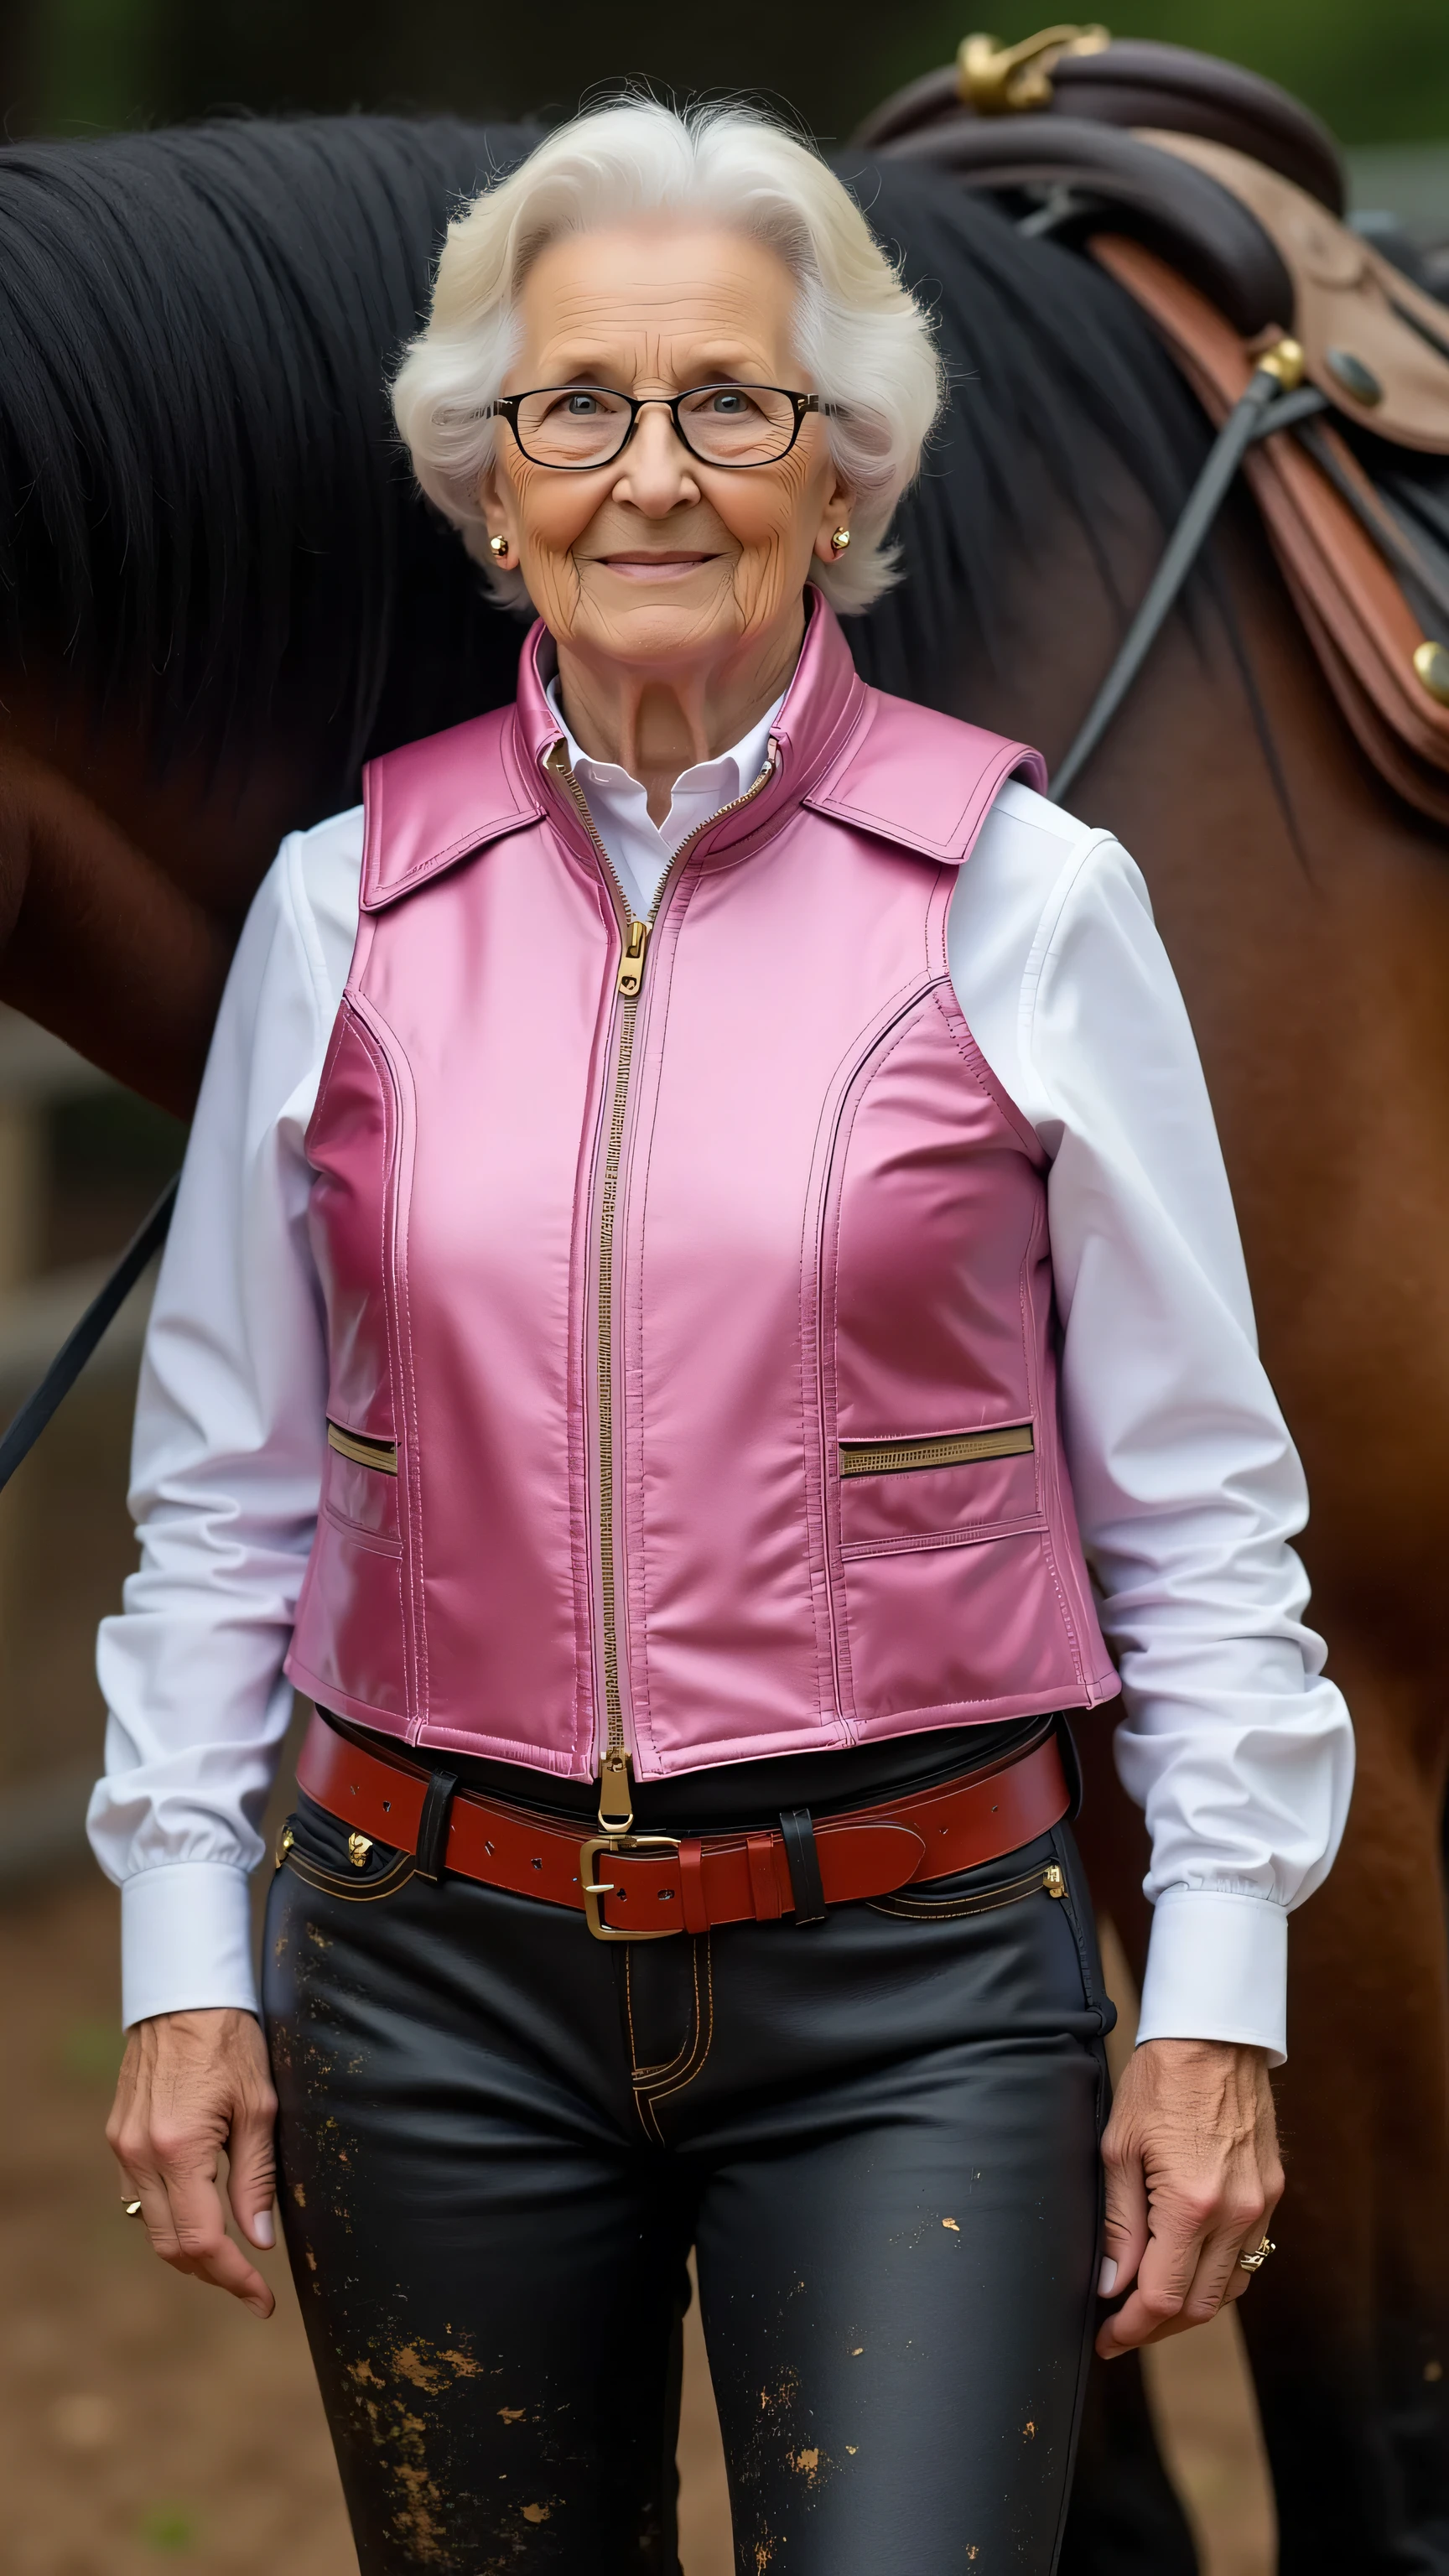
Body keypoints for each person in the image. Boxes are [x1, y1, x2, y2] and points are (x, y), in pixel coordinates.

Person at [92, 98, 1352, 2574]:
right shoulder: (337, 909)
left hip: (913, 1997)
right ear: (489, 483)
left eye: (729, 405)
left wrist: (1212, 1997)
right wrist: (176, 1958)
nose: (650, 472)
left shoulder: (1034, 899)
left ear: (844, 472)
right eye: (580, 405)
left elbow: (1204, 1511)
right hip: (422, 1988)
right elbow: (222, 1497)